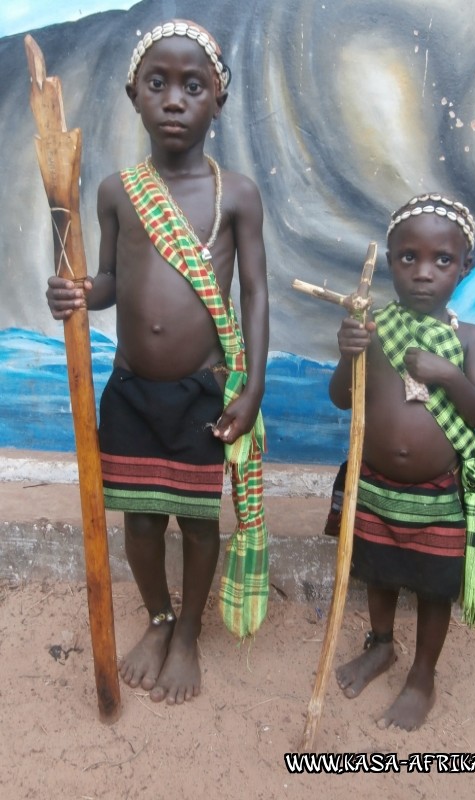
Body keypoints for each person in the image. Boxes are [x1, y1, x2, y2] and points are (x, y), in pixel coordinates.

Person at [46, 20, 269, 705]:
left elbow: (255, 294)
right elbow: (110, 279)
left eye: (192, 86)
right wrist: (81, 291)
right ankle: (160, 617)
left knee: (199, 523)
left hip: (203, 389)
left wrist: (252, 387)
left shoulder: (237, 195)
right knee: (140, 520)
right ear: (133, 95)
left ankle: (191, 633)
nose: (174, 99)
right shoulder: (118, 190)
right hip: (133, 392)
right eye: (158, 84)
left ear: (217, 102)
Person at [328, 193, 475, 730]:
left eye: (442, 261)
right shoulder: (374, 327)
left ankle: (422, 675)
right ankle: (381, 645)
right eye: (409, 258)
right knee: (379, 573)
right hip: (376, 487)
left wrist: (449, 375)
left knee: (432, 587)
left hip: (437, 497)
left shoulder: (468, 340)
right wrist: (347, 354)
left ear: (464, 267)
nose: (424, 274)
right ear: (391, 260)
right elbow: (341, 397)